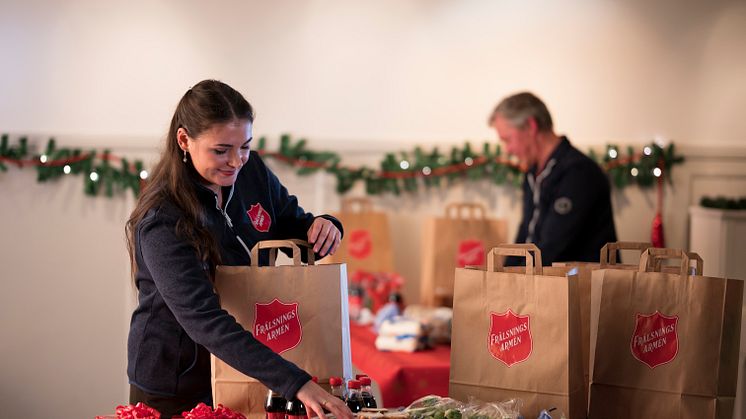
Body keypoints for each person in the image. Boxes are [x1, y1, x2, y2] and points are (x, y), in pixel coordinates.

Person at [125, 79, 352, 419]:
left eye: (245, 146)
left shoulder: (251, 171)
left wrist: (325, 225)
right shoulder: (163, 218)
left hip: (247, 366)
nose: (236, 160)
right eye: (221, 150)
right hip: (178, 381)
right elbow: (204, 321)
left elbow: (295, 224)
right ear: (184, 140)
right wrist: (298, 383)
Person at [489, 92, 617, 266]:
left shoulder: (579, 173)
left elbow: (553, 247)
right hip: (548, 284)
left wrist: (510, 285)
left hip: (583, 288)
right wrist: (501, 277)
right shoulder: (532, 173)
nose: (508, 150)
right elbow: (525, 235)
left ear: (531, 126)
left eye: (508, 139)